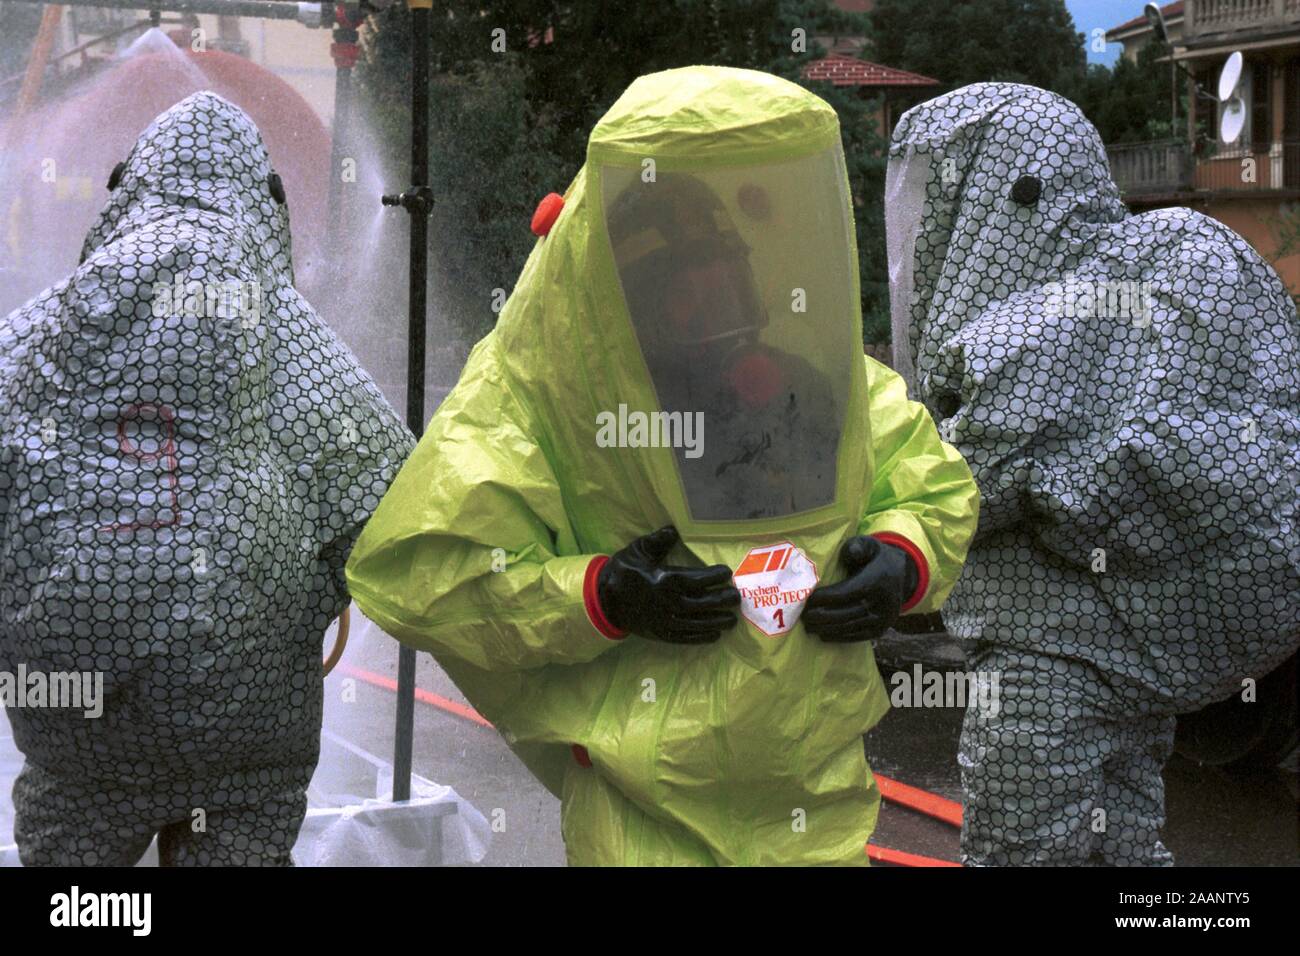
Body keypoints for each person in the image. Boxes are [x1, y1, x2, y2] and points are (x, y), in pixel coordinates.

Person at [346, 66, 978, 866]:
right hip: (643, 820)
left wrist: (901, 559)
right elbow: (424, 574)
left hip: (815, 806)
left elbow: (933, 482)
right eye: (686, 280)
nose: (718, 295)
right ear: (621, 294)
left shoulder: (817, 389)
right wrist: (597, 595)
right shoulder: (542, 404)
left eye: (724, 264)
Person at [885, 82, 1300, 866]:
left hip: (1057, 657)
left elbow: (954, 486)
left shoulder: (1032, 334)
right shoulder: (1172, 257)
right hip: (1163, 637)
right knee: (1126, 826)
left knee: (1027, 841)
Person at [0, 92, 412, 865]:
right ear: (269, 199)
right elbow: (397, 513)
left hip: (78, 735)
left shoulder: (34, 332)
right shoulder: (300, 345)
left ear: (126, 184)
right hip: (247, 739)